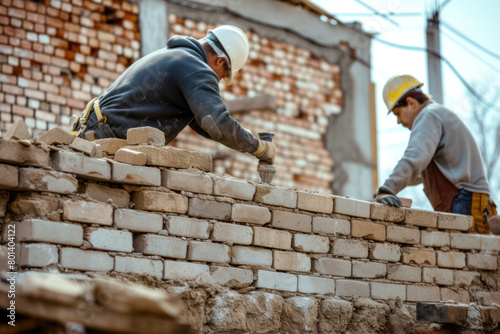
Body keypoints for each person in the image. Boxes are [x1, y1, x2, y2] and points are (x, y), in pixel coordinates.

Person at [71, 25, 275, 164]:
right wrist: (259, 148)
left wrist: (240, 137)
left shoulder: (177, 57)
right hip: (105, 137)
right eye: (222, 76)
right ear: (220, 61)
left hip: (96, 128)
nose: (218, 81)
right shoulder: (196, 68)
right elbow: (217, 124)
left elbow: (204, 122)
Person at [375, 74, 498, 234]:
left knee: (467, 257)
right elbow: (418, 172)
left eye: (398, 113)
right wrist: (383, 192)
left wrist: (386, 189)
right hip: (472, 201)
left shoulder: (428, 115)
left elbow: (414, 159)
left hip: (465, 202)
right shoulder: (437, 114)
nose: (398, 121)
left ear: (411, 102)